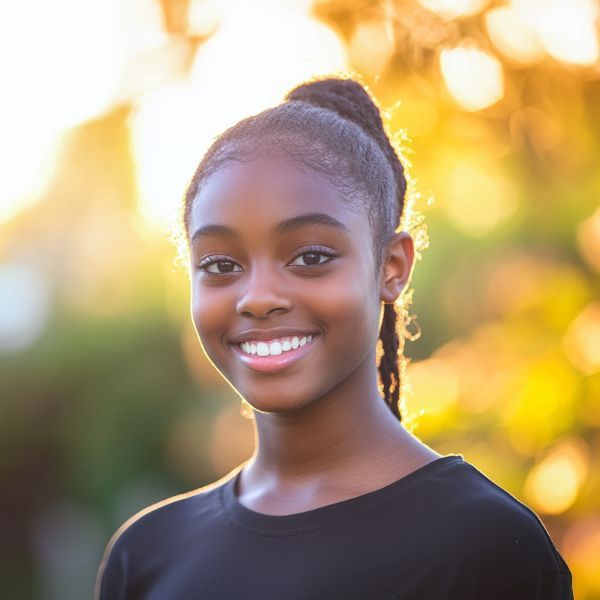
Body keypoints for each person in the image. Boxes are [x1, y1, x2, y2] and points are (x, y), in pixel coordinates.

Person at [94, 77, 573, 599]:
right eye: (221, 264)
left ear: (392, 266)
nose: (257, 297)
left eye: (311, 257)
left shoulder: (487, 547)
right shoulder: (145, 554)